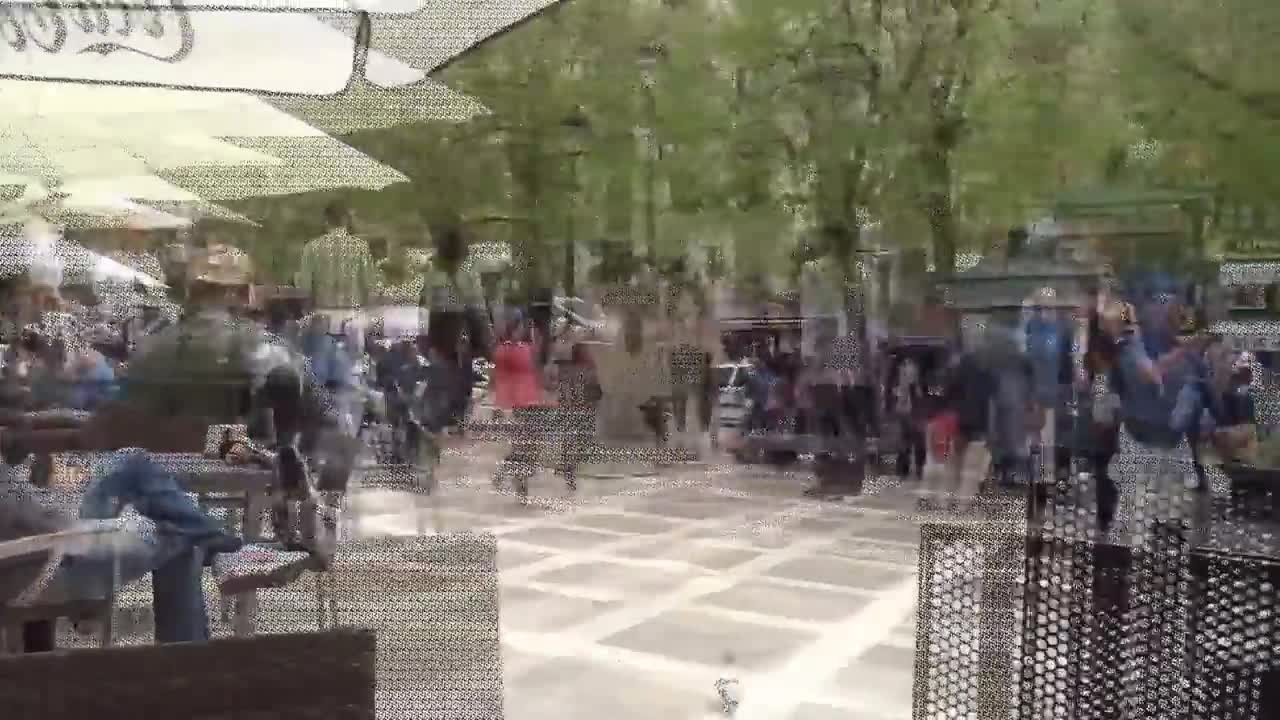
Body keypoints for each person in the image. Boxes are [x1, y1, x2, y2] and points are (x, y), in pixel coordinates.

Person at [418, 224, 493, 435]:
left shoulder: (432, 274)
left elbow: (426, 305)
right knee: (463, 373)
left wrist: (423, 335)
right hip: (461, 326)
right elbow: (477, 305)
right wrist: (486, 334)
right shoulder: (469, 272)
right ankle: (457, 417)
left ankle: (440, 417)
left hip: (439, 327)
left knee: (441, 373)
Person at [491, 312, 553, 502]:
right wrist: (498, 406)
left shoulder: (527, 348)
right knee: (522, 445)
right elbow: (497, 378)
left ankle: (506, 472)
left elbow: (535, 372)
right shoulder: (502, 350)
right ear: (512, 328)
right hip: (514, 403)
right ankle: (520, 484)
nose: (523, 330)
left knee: (531, 445)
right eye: (520, 327)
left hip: (530, 401)